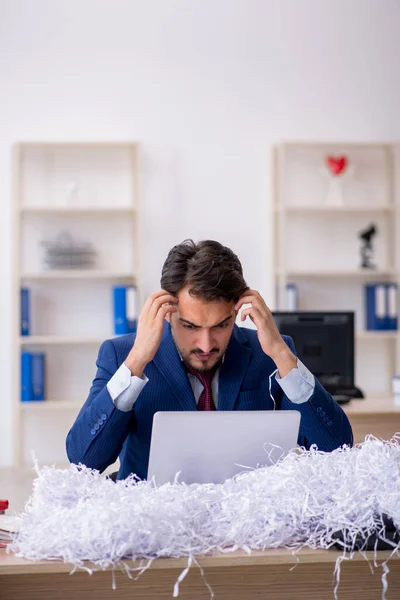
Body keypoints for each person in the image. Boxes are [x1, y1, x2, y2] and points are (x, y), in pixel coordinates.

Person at [66, 239, 353, 480]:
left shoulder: (271, 356)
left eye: (221, 325)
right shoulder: (122, 355)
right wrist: (137, 361)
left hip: (249, 528)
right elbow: (83, 460)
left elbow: (336, 449)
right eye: (190, 326)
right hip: (155, 526)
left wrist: (281, 353)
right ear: (167, 311)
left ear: (238, 309)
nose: (205, 345)